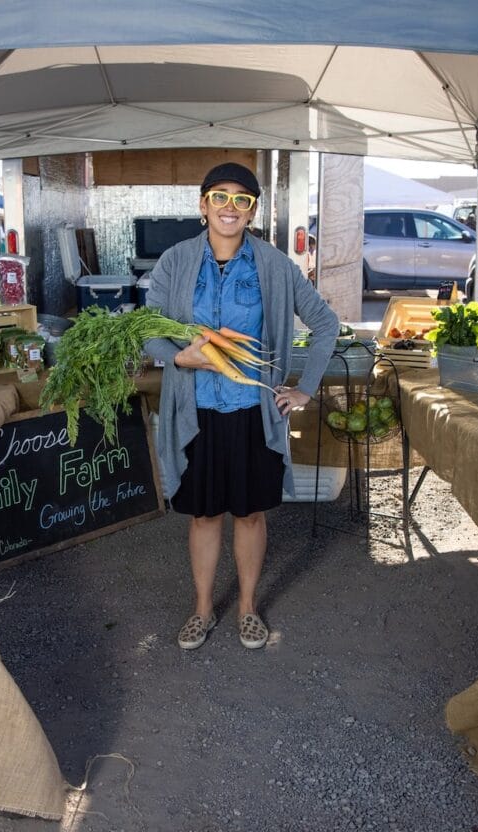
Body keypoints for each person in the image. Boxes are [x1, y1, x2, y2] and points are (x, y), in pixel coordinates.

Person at [143, 162, 339, 651]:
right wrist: (178, 357)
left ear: (253, 210)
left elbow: (326, 323)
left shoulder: (274, 266)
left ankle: (248, 608)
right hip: (196, 410)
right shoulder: (175, 261)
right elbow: (147, 329)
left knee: (250, 513)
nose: (230, 208)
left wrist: (304, 389)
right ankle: (203, 608)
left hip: (254, 409)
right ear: (203, 204)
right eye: (220, 196)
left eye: (242, 200)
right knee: (204, 515)